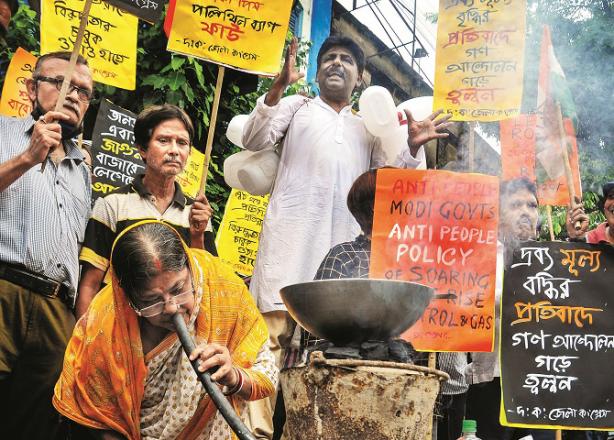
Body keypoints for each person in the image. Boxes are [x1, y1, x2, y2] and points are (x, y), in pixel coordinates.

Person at [241, 35, 452, 438]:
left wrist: (410, 146)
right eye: (329, 58)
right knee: (267, 354)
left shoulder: (367, 128)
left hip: (341, 269)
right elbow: (254, 139)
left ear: (360, 77)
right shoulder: (296, 107)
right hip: (288, 252)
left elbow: (387, 185)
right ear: (318, 71)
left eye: (346, 60)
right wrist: (278, 87)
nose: (336, 64)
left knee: (326, 362)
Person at [54, 220, 278, 439]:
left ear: (189, 267)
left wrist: (232, 377)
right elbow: (97, 415)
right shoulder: (105, 326)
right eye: (152, 301)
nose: (171, 308)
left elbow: (266, 379)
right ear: (130, 300)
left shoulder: (223, 288)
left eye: (178, 288)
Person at [0, 51, 93, 439]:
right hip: (4, 289)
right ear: (30, 87)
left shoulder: (83, 169)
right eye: (60, 82)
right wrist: (27, 157)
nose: (72, 94)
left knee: (35, 419)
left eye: (84, 91)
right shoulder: (3, 132)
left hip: (58, 309)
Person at [76, 104, 216, 318]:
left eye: (182, 143)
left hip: (172, 330)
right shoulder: (112, 204)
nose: (174, 150)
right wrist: (85, 336)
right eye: (163, 140)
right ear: (142, 148)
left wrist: (197, 235)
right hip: (117, 324)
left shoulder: (197, 214)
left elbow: (207, 285)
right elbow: (90, 284)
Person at [465, 177, 555, 440]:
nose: (527, 211)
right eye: (516, 205)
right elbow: (473, 304)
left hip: (542, 382)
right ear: (500, 213)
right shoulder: (481, 256)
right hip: (492, 382)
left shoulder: (553, 259)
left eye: (532, 205)